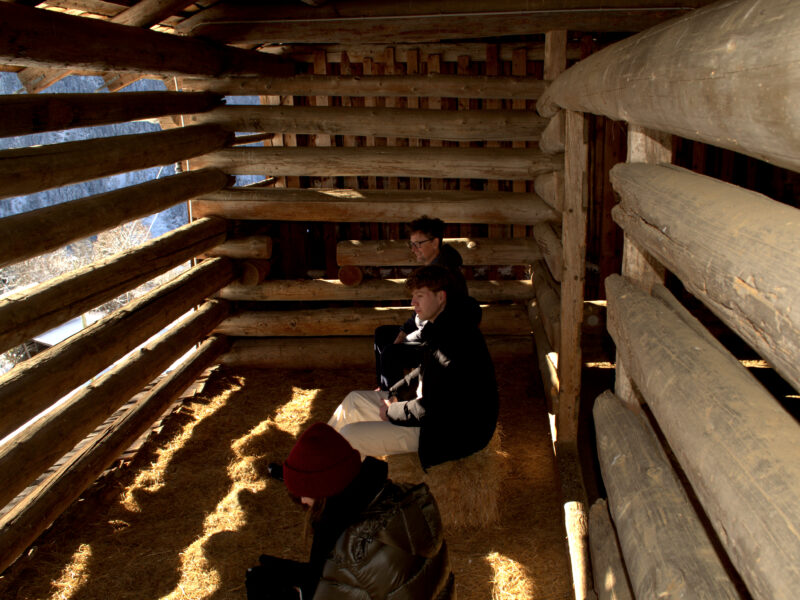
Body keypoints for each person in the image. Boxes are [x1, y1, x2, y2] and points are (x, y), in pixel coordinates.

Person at [246, 423, 454, 600]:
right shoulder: (405, 495)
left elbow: (324, 592)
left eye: (303, 492)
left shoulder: (350, 546)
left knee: (259, 585)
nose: (302, 500)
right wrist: (283, 569)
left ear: (324, 489)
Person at [331, 264, 498, 470]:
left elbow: (433, 409)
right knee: (354, 401)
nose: (413, 302)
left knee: (350, 436)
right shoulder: (441, 327)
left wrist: (392, 412)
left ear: (440, 297)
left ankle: (327, 483)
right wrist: (394, 392)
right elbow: (424, 370)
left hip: (451, 432)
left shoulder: (453, 340)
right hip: (433, 415)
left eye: (420, 295)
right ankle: (316, 459)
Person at [374, 216, 469, 391]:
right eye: (412, 244)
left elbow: (440, 323)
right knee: (383, 334)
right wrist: (403, 331)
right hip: (425, 330)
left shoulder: (444, 275)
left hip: (439, 342)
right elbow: (421, 311)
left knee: (390, 353)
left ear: (435, 242)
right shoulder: (433, 267)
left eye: (418, 244)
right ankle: (386, 387)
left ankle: (393, 398)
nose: (414, 249)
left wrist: (407, 337)